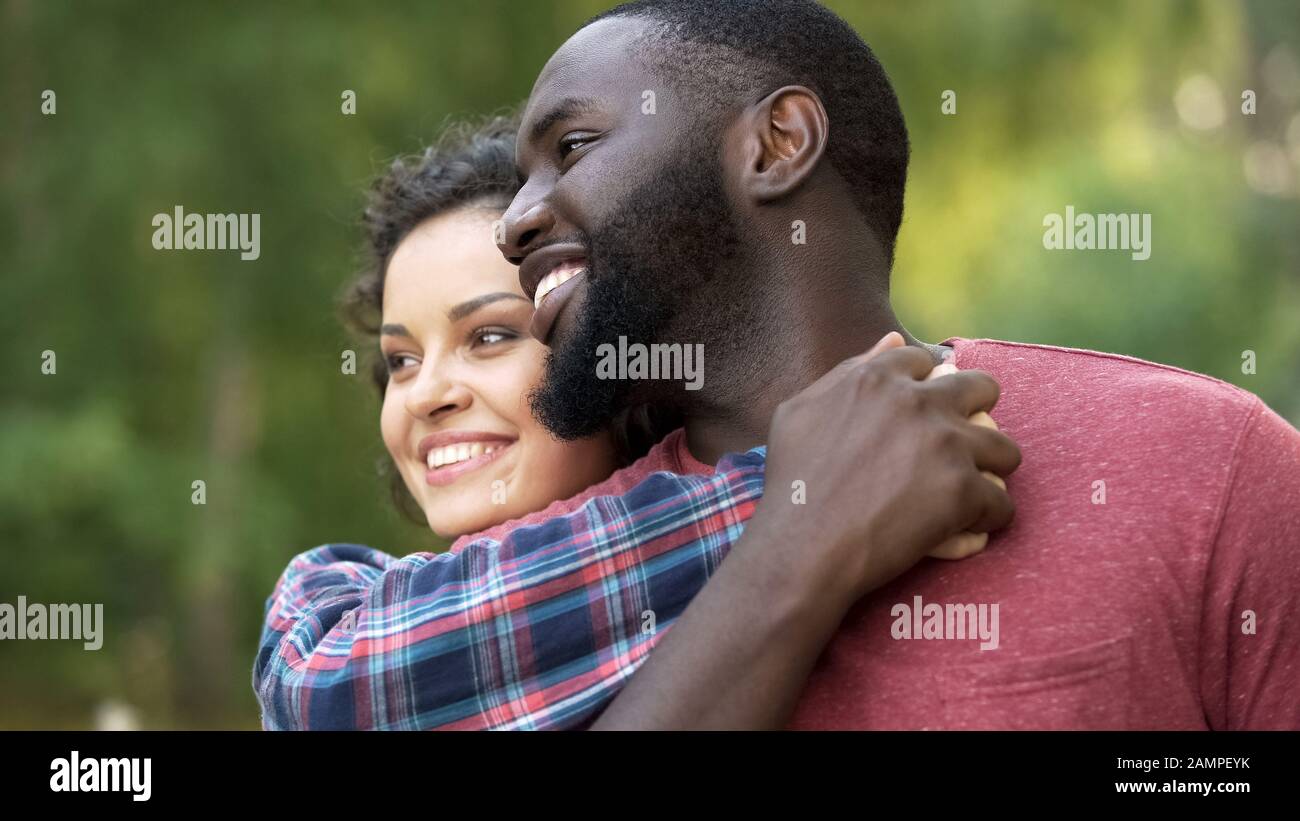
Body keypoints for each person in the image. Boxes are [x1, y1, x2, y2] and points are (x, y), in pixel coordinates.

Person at [253, 114, 1018, 729]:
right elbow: (332, 690)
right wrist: (812, 491)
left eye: (488, 336)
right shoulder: (330, 607)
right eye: (402, 360)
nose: (425, 395)